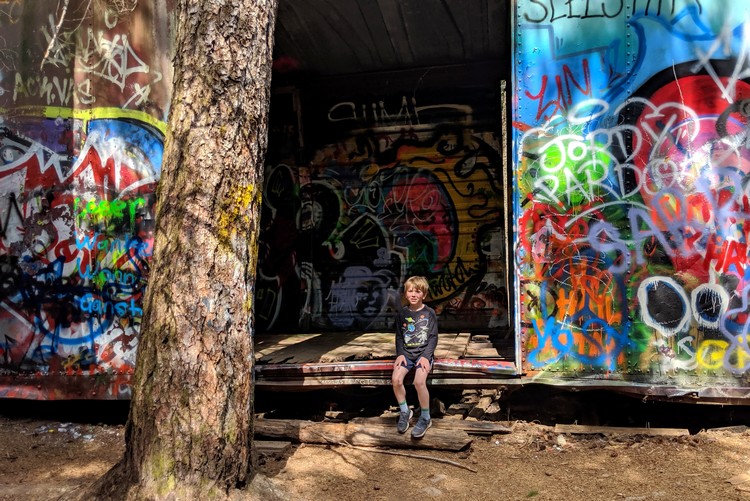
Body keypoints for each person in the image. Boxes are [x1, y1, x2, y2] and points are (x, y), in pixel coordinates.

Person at [392, 275, 438, 438]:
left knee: (419, 381)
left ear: (423, 295)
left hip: (423, 354)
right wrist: (400, 354)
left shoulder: (429, 313)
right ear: (405, 294)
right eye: (410, 291)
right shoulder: (402, 314)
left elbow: (433, 337)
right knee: (396, 380)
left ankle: (425, 417)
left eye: (417, 291)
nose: (413, 294)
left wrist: (426, 356)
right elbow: (399, 336)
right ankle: (405, 411)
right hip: (407, 354)